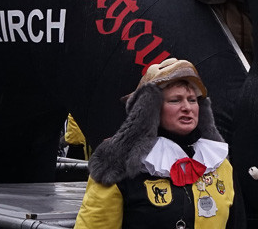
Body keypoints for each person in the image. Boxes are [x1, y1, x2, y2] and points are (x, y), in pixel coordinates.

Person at [73, 57, 242, 229]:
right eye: (175, 100)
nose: (187, 107)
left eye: (192, 100)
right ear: (150, 108)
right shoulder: (117, 163)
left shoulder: (218, 162)